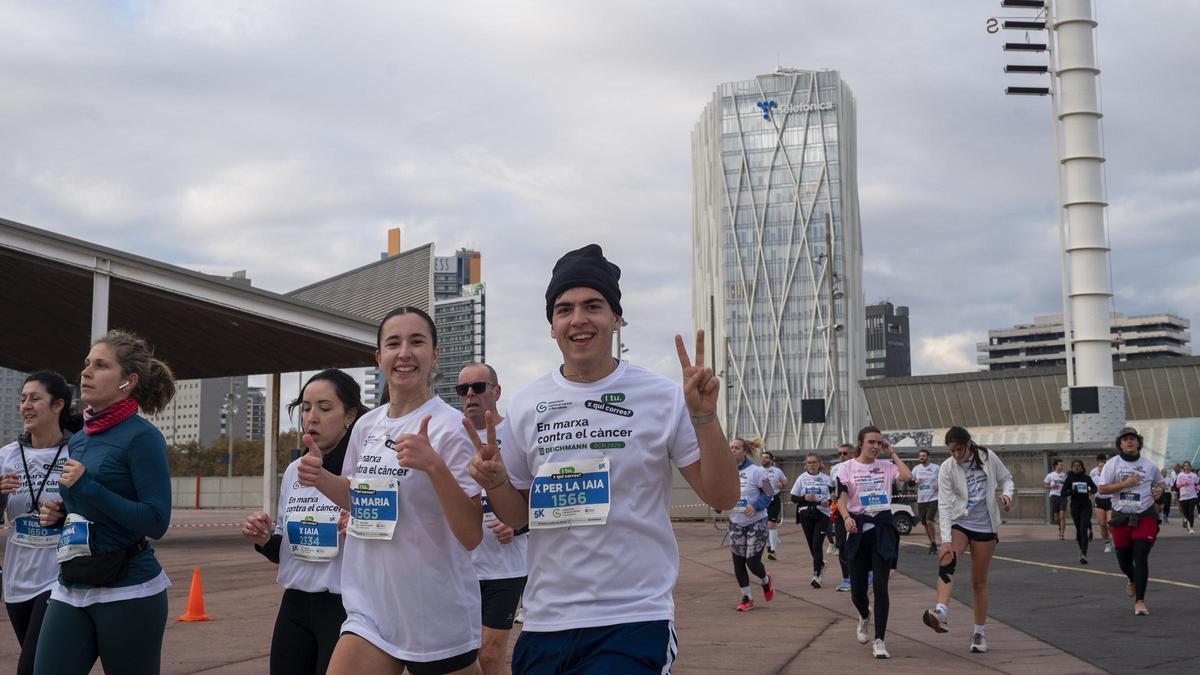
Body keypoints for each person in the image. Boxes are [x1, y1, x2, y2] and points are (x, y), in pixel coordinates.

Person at [466, 244, 739, 674]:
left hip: (633, 616)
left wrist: (704, 416)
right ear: (552, 327)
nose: (578, 319)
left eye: (593, 305)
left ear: (616, 318)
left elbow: (722, 495)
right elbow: (519, 518)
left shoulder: (662, 396)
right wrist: (496, 482)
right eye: (564, 309)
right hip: (545, 620)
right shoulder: (527, 404)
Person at [297, 306, 484, 674]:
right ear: (380, 357)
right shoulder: (368, 425)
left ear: (435, 355)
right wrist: (320, 478)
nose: (405, 353)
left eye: (417, 342)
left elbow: (471, 533)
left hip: (435, 610)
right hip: (371, 609)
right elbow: (358, 498)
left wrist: (433, 465)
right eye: (394, 343)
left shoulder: (451, 427)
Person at [34, 330, 175, 675]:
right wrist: (63, 512)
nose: (85, 373)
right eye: (86, 364)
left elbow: (156, 521)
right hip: (72, 582)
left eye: (100, 365)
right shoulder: (80, 439)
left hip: (128, 589)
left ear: (129, 381)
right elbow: (88, 506)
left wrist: (89, 487)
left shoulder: (143, 438)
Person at [242, 370, 369, 674]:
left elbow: (394, 540)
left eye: (325, 408)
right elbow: (286, 549)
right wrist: (262, 539)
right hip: (295, 605)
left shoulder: (364, 469)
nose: (312, 417)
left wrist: (360, 524)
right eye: (307, 408)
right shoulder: (295, 471)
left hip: (343, 607)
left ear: (349, 414)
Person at [0, 372, 81, 675]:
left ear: (58, 404)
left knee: (31, 667)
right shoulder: (6, 456)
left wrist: (64, 512)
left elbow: (92, 508)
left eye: (34, 398)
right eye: (22, 399)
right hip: (17, 579)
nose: (26, 406)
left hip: (59, 578)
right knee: (45, 664)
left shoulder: (77, 452)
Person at [457, 362, 528, 675]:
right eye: (463, 389)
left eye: (479, 387)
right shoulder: (450, 433)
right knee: (461, 658)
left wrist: (517, 525)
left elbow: (535, 495)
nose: (470, 394)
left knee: (489, 654)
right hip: (461, 567)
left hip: (505, 567)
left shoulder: (516, 433)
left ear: (497, 392)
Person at [921, 426, 1013, 655]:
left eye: (959, 450)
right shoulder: (947, 467)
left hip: (986, 526)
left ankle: (979, 632)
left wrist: (1007, 495)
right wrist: (945, 540)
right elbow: (943, 503)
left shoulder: (988, 457)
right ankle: (941, 611)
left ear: (968, 444)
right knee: (947, 559)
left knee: (978, 581)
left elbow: (1007, 478)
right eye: (951, 451)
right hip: (960, 521)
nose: (956, 455)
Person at [836, 426, 912, 660]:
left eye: (880, 443)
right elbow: (841, 498)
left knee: (881, 587)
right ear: (861, 443)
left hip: (882, 530)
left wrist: (893, 453)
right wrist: (846, 517)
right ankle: (863, 615)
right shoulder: (846, 467)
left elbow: (907, 477)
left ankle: (880, 640)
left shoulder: (887, 467)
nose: (876, 446)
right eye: (871, 442)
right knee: (858, 592)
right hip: (858, 528)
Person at [1097, 426, 1164, 616]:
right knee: (1124, 562)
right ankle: (1132, 579)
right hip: (1121, 516)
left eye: (1132, 438)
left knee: (1140, 557)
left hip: (1145, 515)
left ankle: (1140, 602)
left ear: (1138, 442)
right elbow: (1102, 489)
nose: (1129, 441)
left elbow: (1160, 483)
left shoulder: (1149, 465)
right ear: (1120, 443)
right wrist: (1125, 484)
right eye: (1125, 439)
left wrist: (1159, 490)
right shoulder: (1112, 464)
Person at [726, 437, 774, 611]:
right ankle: (747, 597)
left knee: (752, 562)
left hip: (756, 521)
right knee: (738, 562)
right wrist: (718, 504)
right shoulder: (725, 471)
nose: (732, 450)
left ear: (744, 451)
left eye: (736, 448)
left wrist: (755, 506)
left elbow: (769, 493)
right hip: (735, 522)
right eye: (730, 447)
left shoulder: (757, 471)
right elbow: (719, 494)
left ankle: (765, 580)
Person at [790, 453, 835, 588]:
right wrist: (805, 498)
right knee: (811, 545)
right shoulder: (802, 478)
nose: (812, 465)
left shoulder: (827, 479)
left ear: (820, 464)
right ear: (805, 465)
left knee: (817, 545)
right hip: (806, 514)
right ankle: (820, 563)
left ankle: (817, 575)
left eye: (814, 462)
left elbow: (833, 497)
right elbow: (793, 498)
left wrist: (827, 502)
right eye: (809, 463)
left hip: (822, 514)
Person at [1060, 460, 1097, 564]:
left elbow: (1095, 488)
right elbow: (1063, 493)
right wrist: (1072, 492)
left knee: (1083, 529)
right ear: (1071, 468)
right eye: (1074, 466)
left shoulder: (1087, 478)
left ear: (1082, 467)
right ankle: (1081, 549)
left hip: (1086, 506)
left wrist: (1090, 490)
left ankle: (1084, 554)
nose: (1076, 467)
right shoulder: (1069, 479)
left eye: (1079, 466)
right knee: (1079, 531)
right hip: (1075, 507)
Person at [828, 444, 854, 592]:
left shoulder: (858, 466)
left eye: (845, 453)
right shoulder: (835, 469)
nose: (842, 456)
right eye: (840, 454)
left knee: (860, 544)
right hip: (839, 510)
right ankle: (846, 578)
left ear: (852, 453)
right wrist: (832, 494)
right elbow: (832, 486)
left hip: (856, 510)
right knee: (842, 545)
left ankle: (867, 572)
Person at [911, 449, 940, 554]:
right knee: (925, 524)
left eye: (923, 456)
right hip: (921, 500)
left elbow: (945, 479)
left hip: (933, 498)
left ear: (928, 457)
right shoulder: (916, 469)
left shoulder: (936, 468)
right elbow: (910, 483)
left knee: (929, 521)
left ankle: (933, 543)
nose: (921, 458)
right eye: (920, 456)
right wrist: (915, 481)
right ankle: (932, 543)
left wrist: (940, 485)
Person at [761, 451, 787, 561]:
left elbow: (785, 481)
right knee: (764, 526)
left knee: (771, 524)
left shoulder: (777, 471)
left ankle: (772, 550)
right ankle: (768, 546)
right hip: (761, 499)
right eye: (762, 458)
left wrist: (781, 484)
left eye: (766, 458)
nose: (764, 459)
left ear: (771, 460)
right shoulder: (757, 470)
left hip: (774, 499)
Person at [1091, 454, 1113, 553]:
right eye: (1099, 466)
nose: (1101, 468)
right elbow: (1090, 488)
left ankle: (1116, 538)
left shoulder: (1111, 476)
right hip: (1099, 501)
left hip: (1110, 501)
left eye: (1103, 466)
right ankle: (1107, 543)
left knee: (1110, 523)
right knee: (1102, 524)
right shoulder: (1094, 476)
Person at [1044, 459, 1067, 540]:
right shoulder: (1050, 475)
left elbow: (1068, 485)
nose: (1062, 466)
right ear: (1056, 466)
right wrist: (1051, 486)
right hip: (1054, 496)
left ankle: (1062, 534)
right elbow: (1045, 485)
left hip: (1063, 497)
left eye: (1062, 465)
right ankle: (1060, 527)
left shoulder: (1065, 475)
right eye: (1060, 464)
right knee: (1057, 518)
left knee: (1062, 516)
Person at [1174, 461, 1198, 534]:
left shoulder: (1194, 475)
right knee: (1186, 513)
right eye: (1185, 465)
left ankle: (1191, 528)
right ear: (1183, 467)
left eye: (1188, 465)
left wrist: (1198, 487)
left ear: (1190, 466)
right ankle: (1186, 522)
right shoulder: (1180, 475)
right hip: (1183, 497)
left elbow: (1197, 484)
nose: (1187, 467)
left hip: (1192, 496)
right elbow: (1177, 486)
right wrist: (1183, 484)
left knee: (1191, 512)